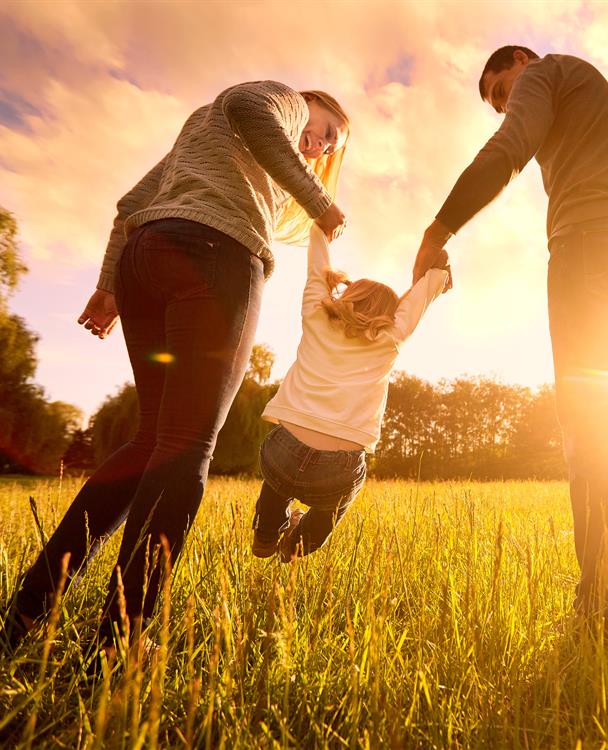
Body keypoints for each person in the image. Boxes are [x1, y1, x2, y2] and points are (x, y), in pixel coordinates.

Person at [3, 81, 350, 656]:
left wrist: (109, 285)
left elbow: (128, 206)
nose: (317, 145)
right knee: (188, 447)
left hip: (148, 259)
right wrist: (320, 201)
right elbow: (249, 106)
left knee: (153, 444)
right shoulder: (280, 98)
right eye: (324, 131)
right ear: (306, 105)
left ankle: (27, 609)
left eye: (328, 148)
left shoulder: (206, 135)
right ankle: (119, 645)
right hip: (216, 258)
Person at [412, 46, 608, 612]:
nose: (505, 107)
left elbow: (509, 148)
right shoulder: (587, 89)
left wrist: (438, 230)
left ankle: (597, 605)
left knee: (588, 428)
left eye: (502, 91)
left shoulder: (545, 73)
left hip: (586, 253)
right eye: (499, 103)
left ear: (521, 60)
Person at [251, 224, 449, 561]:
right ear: (390, 315)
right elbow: (420, 298)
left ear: (348, 295)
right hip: (338, 468)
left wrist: (320, 229)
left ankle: (267, 534)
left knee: (278, 481)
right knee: (333, 506)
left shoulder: (316, 314)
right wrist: (438, 274)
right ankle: (298, 546)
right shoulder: (391, 338)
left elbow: (317, 268)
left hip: (283, 450)